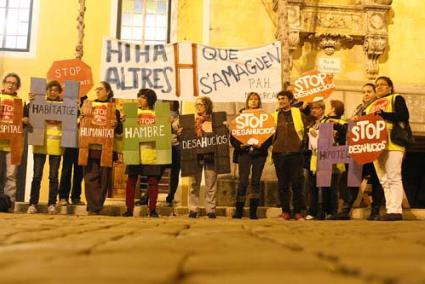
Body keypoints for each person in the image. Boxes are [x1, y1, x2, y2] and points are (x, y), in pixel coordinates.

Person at [365, 76, 409, 221]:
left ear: (390, 87)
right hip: (375, 145)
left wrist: (383, 115)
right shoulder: (370, 105)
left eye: (383, 84)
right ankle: (391, 209)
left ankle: (396, 210)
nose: (379, 87)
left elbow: (403, 115)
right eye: (377, 85)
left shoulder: (396, 98)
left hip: (393, 143)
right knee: (383, 179)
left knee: (393, 176)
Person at [122, 89, 165, 217]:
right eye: (139, 97)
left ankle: (152, 210)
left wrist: (166, 124)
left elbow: (163, 132)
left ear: (150, 99)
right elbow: (126, 131)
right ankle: (129, 209)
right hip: (135, 152)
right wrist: (124, 122)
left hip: (152, 153)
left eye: (143, 97)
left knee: (153, 182)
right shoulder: (133, 112)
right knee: (131, 181)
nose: (139, 99)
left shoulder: (158, 113)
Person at [83, 81, 122, 214]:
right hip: (90, 148)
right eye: (96, 89)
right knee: (90, 178)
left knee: (104, 179)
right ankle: (93, 206)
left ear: (108, 91)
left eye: (100, 89)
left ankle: (97, 205)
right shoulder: (88, 106)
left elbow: (119, 131)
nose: (97, 91)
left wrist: (116, 124)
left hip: (107, 149)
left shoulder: (114, 109)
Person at [231, 92, 272, 219]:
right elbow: (233, 136)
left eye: (256, 99)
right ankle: (239, 210)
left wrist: (262, 145)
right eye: (251, 99)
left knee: (255, 181)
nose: (253, 101)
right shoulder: (240, 118)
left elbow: (270, 134)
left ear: (259, 102)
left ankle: (253, 211)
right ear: (247, 102)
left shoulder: (265, 118)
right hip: (244, 153)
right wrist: (239, 146)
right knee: (243, 181)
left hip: (259, 153)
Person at [27, 81, 65, 214]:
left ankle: (52, 204)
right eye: (50, 89)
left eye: (55, 90)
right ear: (46, 91)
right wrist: (30, 101)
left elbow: (73, 118)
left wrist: (76, 107)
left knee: (53, 177)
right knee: (37, 176)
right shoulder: (38, 103)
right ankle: (32, 203)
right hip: (40, 144)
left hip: (56, 145)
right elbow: (27, 112)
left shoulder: (64, 106)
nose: (52, 92)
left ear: (59, 92)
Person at [271, 90, 308, 220]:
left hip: (295, 154)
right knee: (283, 184)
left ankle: (297, 212)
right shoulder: (274, 115)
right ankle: (285, 211)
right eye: (279, 99)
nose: (281, 101)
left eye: (284, 99)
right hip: (279, 154)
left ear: (290, 100)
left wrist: (302, 147)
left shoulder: (299, 114)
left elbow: (306, 131)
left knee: (297, 184)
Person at [187, 96, 219, 219]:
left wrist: (224, 128)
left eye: (200, 104)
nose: (198, 107)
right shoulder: (191, 121)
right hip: (195, 155)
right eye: (196, 105)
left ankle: (210, 209)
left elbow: (220, 136)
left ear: (207, 106)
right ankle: (193, 209)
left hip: (210, 154)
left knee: (211, 182)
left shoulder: (214, 121)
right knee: (194, 183)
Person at [0, 73, 26, 212]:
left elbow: (27, 121)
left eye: (14, 83)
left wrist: (25, 121)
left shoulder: (22, 101)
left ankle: (10, 205)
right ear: (4, 83)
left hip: (13, 144)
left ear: (17, 86)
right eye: (8, 82)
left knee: (11, 175)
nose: (11, 85)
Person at [58, 95, 87, 206]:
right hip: (69, 143)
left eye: (79, 99)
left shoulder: (85, 112)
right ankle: (63, 197)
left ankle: (75, 197)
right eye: (75, 99)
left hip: (81, 145)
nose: (77, 101)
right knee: (66, 171)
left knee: (79, 172)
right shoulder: (67, 110)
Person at [304, 100, 325, 220]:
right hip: (312, 156)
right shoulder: (311, 122)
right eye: (312, 109)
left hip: (323, 156)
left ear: (322, 109)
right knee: (312, 185)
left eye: (316, 108)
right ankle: (312, 210)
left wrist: (316, 134)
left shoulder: (326, 121)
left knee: (322, 185)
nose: (313, 111)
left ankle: (322, 211)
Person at [165, 100, 181, 207]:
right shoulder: (161, 114)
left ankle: (170, 197)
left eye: (170, 101)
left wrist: (177, 131)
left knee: (175, 173)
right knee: (158, 171)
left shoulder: (180, 118)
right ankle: (147, 196)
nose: (168, 102)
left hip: (176, 146)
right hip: (164, 146)